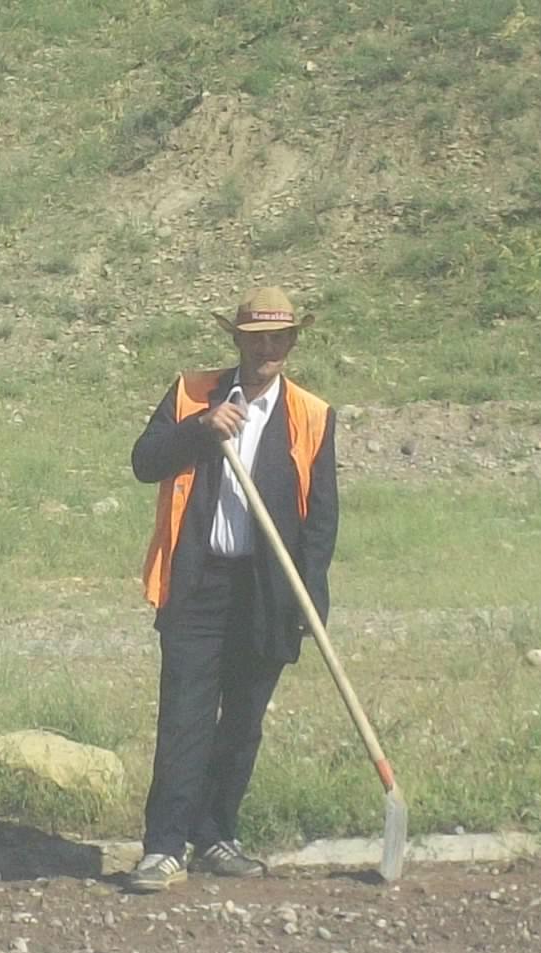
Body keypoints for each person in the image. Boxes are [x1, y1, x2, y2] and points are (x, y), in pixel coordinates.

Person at [125, 286, 339, 893]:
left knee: (243, 721)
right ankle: (164, 847)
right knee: (184, 718)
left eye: (279, 338)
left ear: (292, 343)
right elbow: (144, 462)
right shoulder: (193, 394)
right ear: (238, 342)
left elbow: (321, 520)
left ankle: (216, 834)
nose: (267, 349)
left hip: (267, 590)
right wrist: (200, 428)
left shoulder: (313, 415)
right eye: (256, 339)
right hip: (197, 582)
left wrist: (310, 601)